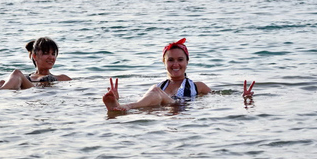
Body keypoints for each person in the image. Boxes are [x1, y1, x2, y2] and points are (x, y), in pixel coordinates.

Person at [102, 38, 255, 113]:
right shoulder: (161, 85)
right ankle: (119, 106)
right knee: (154, 93)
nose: (176, 64)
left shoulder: (198, 86)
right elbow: (146, 102)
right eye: (171, 60)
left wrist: (243, 97)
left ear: (187, 62)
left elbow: (218, 97)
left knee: (154, 92)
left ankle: (124, 108)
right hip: (161, 111)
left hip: (180, 108)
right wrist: (118, 96)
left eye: (180, 60)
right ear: (164, 62)